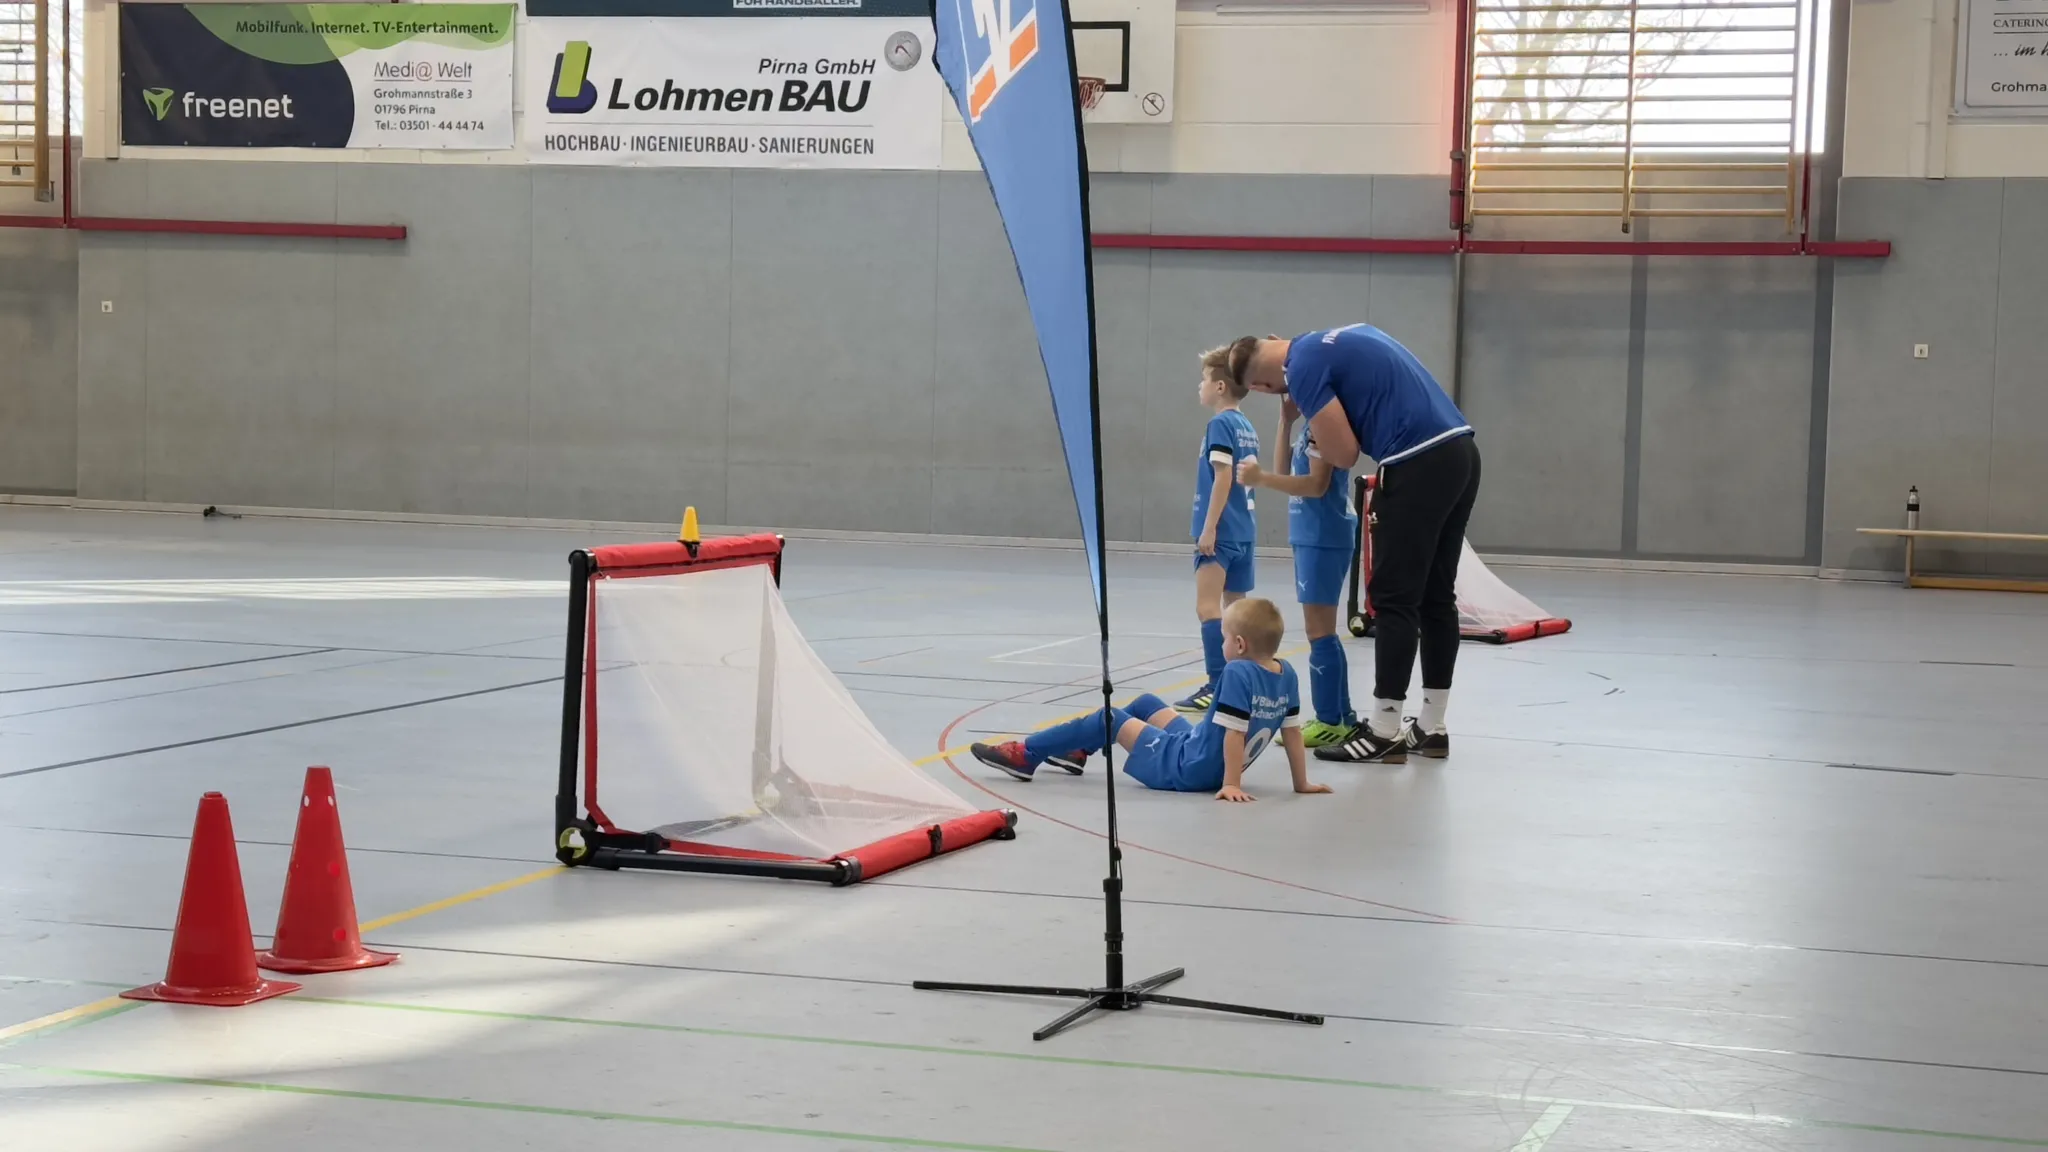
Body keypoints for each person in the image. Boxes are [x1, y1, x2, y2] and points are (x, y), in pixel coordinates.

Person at [1223, 325, 1477, 764]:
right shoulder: (1324, 341)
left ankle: (1384, 730)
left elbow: (1343, 454)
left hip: (1415, 461)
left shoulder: (1301, 368)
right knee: (1436, 597)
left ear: (1263, 386)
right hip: (1460, 451)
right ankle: (1431, 726)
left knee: (1394, 599)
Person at [968, 598, 1332, 802]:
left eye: (1223, 637)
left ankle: (1027, 754)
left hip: (1186, 765)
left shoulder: (1238, 672)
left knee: (1109, 718)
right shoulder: (1286, 673)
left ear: (1239, 645)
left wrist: (1231, 783)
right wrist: (1301, 782)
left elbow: (1235, 734)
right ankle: (1078, 750)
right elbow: (1292, 733)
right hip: (1198, 747)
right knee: (1145, 703)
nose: (1221, 644)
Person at [1236, 397, 1359, 747]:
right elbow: (1284, 470)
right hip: (1311, 533)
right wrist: (1285, 421)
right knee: (1323, 631)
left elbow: (1316, 485)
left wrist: (1261, 479)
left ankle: (1329, 720)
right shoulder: (1308, 427)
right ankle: (1342, 716)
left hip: (1323, 534)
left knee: (1319, 631)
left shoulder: (1323, 426)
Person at [1175, 346, 1261, 715]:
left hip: (1222, 532)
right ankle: (1244, 685)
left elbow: (1223, 477)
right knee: (1237, 612)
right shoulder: (1247, 427)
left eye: (1204, 380)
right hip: (1244, 531)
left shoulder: (1220, 425)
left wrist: (1208, 528)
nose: (1201, 386)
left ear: (1221, 386)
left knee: (1208, 607)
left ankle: (1216, 684)